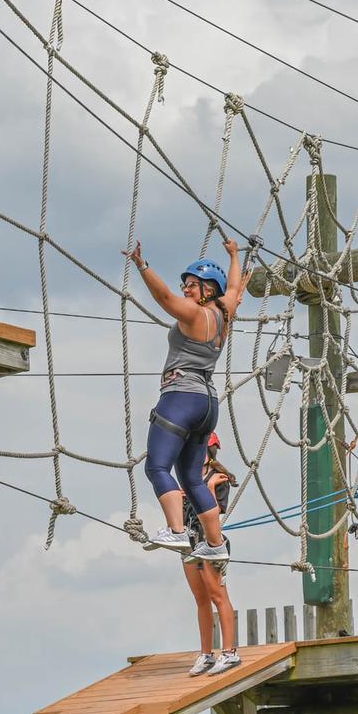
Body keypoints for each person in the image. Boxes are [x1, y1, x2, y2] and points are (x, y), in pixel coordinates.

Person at [126, 237, 248, 563]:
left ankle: (177, 531)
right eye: (185, 284)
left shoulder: (196, 315)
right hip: (208, 404)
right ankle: (215, 543)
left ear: (209, 289)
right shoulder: (226, 313)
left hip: (181, 396)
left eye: (193, 284)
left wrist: (142, 266)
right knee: (192, 477)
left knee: (157, 466)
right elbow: (235, 288)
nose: (186, 290)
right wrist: (235, 255)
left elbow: (163, 297)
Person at [182, 434, 242, 676]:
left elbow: (215, 511)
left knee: (218, 596)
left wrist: (207, 487)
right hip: (190, 543)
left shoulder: (218, 479)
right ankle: (206, 654)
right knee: (201, 599)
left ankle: (229, 652)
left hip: (212, 543)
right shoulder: (187, 479)